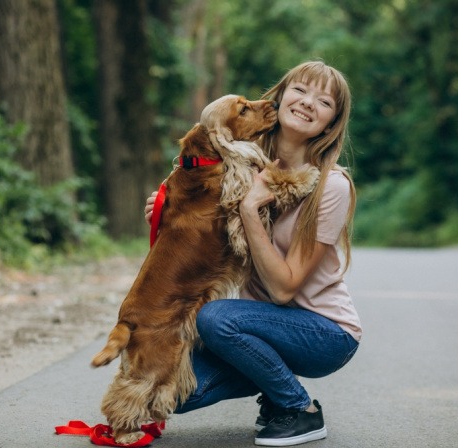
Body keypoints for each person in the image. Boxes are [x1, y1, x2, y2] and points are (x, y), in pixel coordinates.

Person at [144, 60, 361, 447]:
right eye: (300, 90)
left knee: (216, 319)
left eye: (324, 101)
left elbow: (282, 291)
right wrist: (171, 213)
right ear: (279, 97)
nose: (309, 102)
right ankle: (272, 389)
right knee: (170, 392)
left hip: (323, 333)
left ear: (330, 123)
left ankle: (296, 408)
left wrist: (250, 211)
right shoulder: (240, 159)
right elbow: (209, 234)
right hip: (257, 328)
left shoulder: (331, 186)